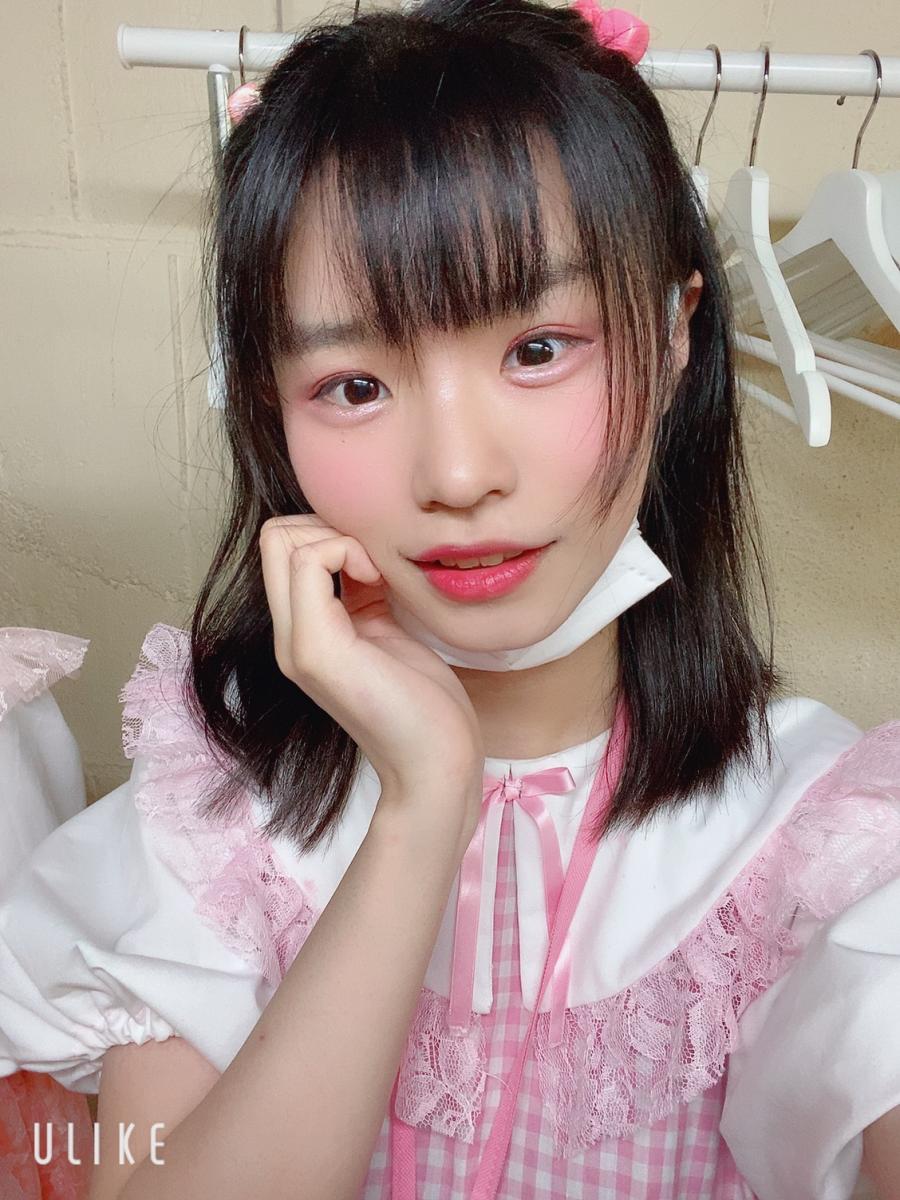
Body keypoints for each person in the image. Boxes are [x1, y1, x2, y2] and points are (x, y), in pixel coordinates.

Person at [1, 0, 899, 1197]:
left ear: (679, 333)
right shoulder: (211, 816)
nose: (459, 475)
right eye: (354, 384)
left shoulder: (821, 843)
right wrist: (423, 802)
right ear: (270, 405)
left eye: (538, 349)